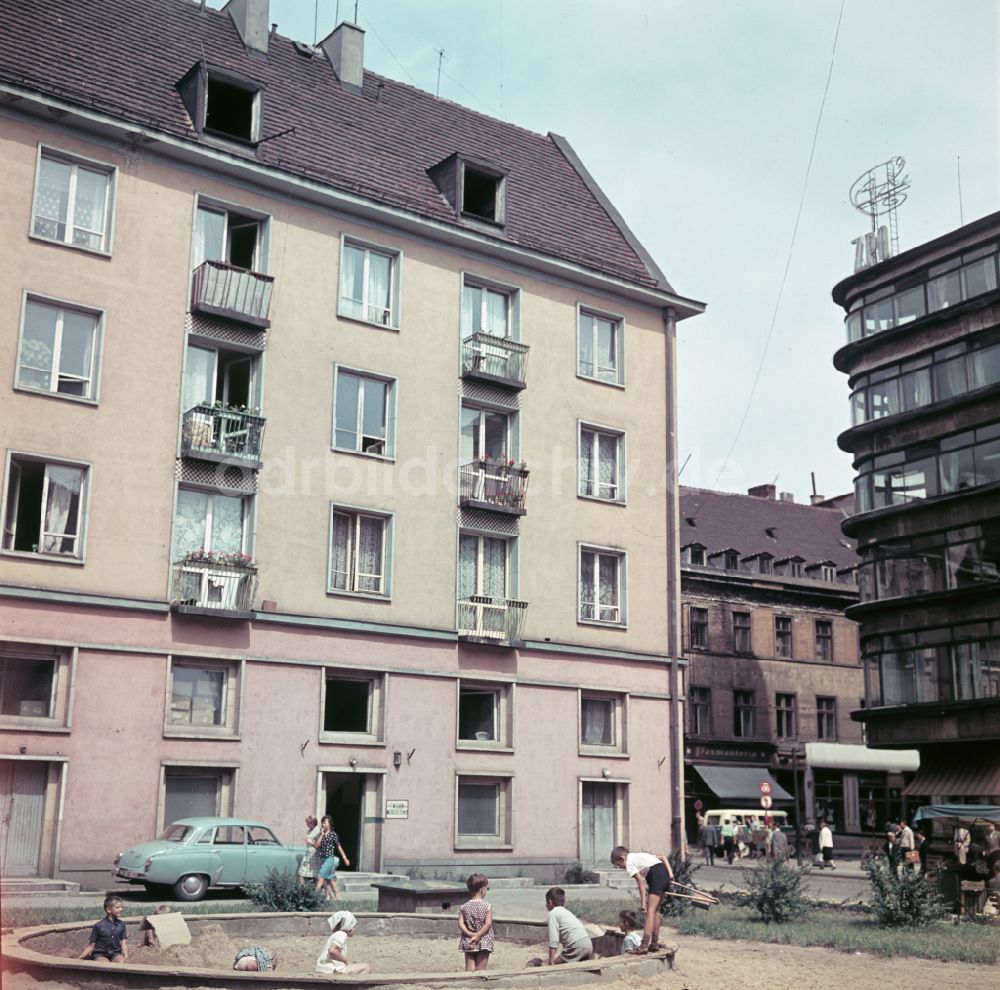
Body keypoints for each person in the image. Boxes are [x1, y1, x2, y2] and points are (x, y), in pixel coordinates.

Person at [610, 845, 674, 954]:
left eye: (618, 865)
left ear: (622, 858)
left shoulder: (629, 862)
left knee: (649, 912)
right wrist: (670, 875)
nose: (620, 868)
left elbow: (640, 882)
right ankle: (654, 944)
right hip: (663, 872)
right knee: (655, 912)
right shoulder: (638, 856)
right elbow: (663, 857)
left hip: (655, 875)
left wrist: (643, 902)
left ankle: (644, 946)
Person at [541, 887, 593, 964]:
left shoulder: (552, 914)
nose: (546, 906)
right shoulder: (566, 912)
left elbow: (553, 940)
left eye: (546, 903)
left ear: (550, 902)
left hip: (576, 947)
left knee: (553, 964)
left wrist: (551, 962)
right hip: (589, 945)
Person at [457, 873, 494, 971]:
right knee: (480, 970)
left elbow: (460, 923)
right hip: (483, 939)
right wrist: (478, 936)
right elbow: (488, 924)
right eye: (486, 888)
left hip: (468, 939)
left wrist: (469, 934)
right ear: (482, 889)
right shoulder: (487, 906)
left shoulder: (464, 907)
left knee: (470, 969)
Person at [315, 911, 371, 976]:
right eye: (354, 926)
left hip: (323, 968)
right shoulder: (342, 934)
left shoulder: (336, 934)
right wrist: (346, 961)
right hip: (331, 969)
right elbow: (332, 951)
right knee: (366, 967)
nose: (355, 929)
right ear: (349, 926)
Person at [79, 895, 128, 963]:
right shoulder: (99, 926)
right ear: (108, 910)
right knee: (104, 964)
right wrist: (81, 957)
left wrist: (126, 957)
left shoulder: (121, 924)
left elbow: (124, 943)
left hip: (115, 953)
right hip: (100, 954)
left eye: (121, 907)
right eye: (118, 907)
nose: (121, 909)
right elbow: (91, 945)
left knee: (121, 961)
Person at [315, 815, 350, 901]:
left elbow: (339, 847)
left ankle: (313, 896)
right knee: (328, 878)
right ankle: (336, 893)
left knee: (320, 876)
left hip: (329, 858)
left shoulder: (333, 835)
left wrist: (345, 858)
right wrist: (321, 835)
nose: (323, 824)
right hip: (322, 858)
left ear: (329, 824)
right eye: (322, 822)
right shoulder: (321, 834)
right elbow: (317, 845)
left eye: (325, 822)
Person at [298, 814, 322, 886]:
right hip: (308, 854)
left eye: (308, 823)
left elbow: (319, 845)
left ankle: (318, 891)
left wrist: (311, 842)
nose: (307, 824)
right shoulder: (309, 830)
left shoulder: (318, 831)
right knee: (301, 873)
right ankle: (304, 890)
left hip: (314, 856)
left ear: (313, 823)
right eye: (307, 823)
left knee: (316, 875)